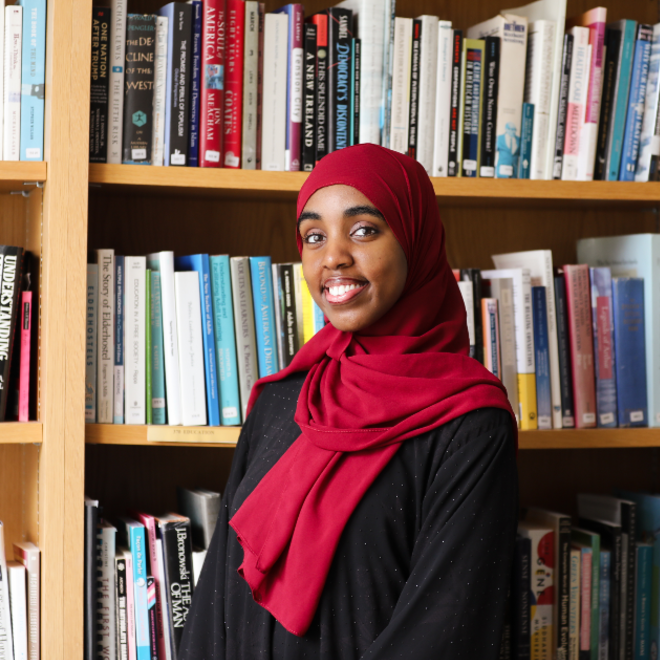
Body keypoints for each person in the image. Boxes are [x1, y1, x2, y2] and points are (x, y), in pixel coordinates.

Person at [179, 144, 518, 660]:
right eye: (314, 236)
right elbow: (216, 602)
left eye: (363, 230)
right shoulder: (282, 399)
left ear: (415, 240)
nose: (333, 257)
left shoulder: (471, 425)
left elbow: (447, 630)